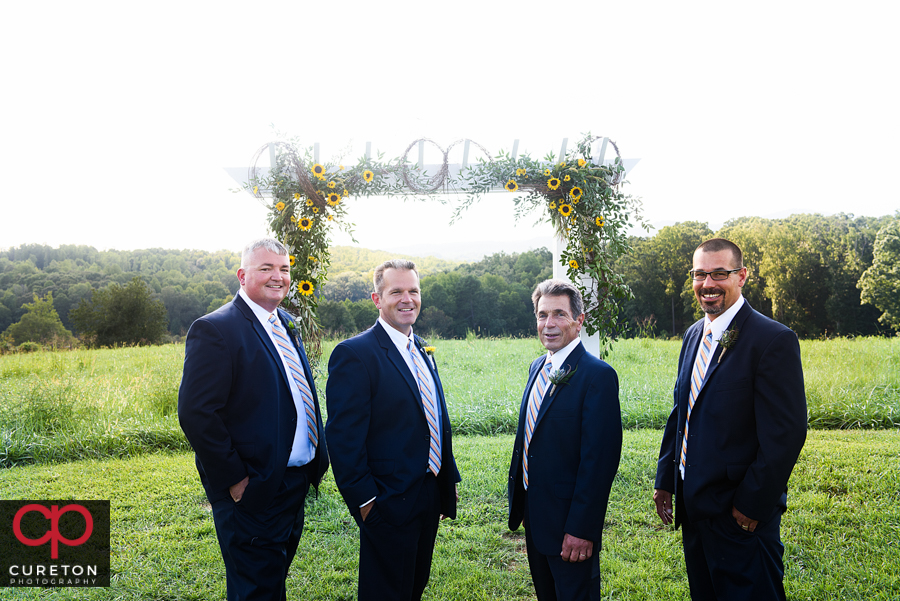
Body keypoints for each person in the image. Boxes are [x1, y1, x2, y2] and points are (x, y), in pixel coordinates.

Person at [653, 238, 807, 601]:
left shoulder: (773, 339)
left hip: (740, 515)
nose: (708, 284)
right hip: (695, 509)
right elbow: (682, 411)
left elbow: (785, 434)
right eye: (700, 274)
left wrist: (750, 506)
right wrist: (667, 478)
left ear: (742, 276)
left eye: (719, 273)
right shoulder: (693, 335)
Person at [178, 238, 329, 601]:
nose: (278, 277)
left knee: (272, 579)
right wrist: (236, 480)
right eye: (266, 268)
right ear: (242, 275)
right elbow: (197, 414)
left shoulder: (286, 323)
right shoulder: (216, 329)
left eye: (284, 269)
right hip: (253, 487)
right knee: (256, 589)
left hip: (292, 482)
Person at [325, 259, 461, 601]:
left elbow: (435, 418)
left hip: (428, 495)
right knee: (385, 593)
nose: (407, 299)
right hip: (386, 502)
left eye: (413, 290)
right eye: (396, 291)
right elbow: (343, 440)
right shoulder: (355, 354)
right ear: (377, 299)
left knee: (413, 586)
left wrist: (446, 481)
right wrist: (367, 503)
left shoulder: (420, 348)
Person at [507, 279, 622, 601]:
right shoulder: (537, 368)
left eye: (559, 314)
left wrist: (582, 530)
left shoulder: (596, 375)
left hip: (571, 528)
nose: (549, 324)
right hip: (536, 518)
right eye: (543, 315)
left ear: (579, 320)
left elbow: (599, 461)